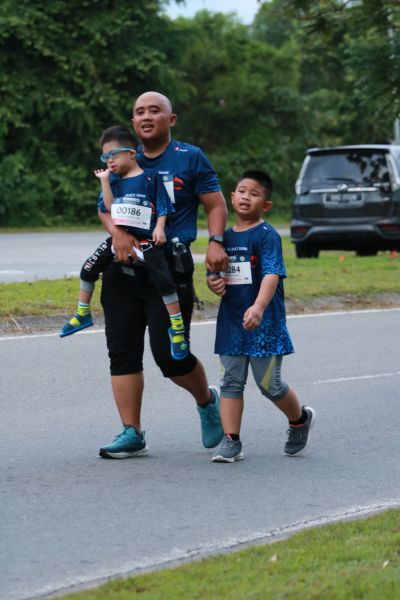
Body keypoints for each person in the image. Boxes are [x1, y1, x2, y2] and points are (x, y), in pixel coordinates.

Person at [98, 91, 229, 458]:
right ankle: (132, 432)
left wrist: (216, 241)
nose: (146, 116)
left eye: (154, 111)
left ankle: (206, 401)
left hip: (168, 273)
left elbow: (215, 204)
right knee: (122, 352)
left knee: (170, 357)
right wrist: (118, 234)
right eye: (139, 111)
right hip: (122, 272)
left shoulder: (190, 157)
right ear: (133, 121)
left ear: (171, 120)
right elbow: (104, 207)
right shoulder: (123, 157)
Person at [207, 170, 316, 463]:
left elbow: (272, 274)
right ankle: (231, 440)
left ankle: (299, 420)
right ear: (232, 197)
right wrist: (213, 282)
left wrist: (258, 306)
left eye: (254, 194)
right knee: (230, 382)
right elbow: (214, 271)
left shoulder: (267, 236)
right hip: (231, 323)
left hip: (263, 323)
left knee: (270, 385)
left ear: (266, 205)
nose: (246, 197)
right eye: (242, 191)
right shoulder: (223, 238)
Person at [60, 126, 189, 360]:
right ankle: (82, 313)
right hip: (119, 240)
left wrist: (160, 228)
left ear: (131, 153)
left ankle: (177, 328)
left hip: (148, 242)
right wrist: (104, 181)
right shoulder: (115, 182)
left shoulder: (151, 178)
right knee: (88, 269)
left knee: (164, 283)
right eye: (104, 157)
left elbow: (163, 205)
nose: (109, 160)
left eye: (113, 154)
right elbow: (108, 207)